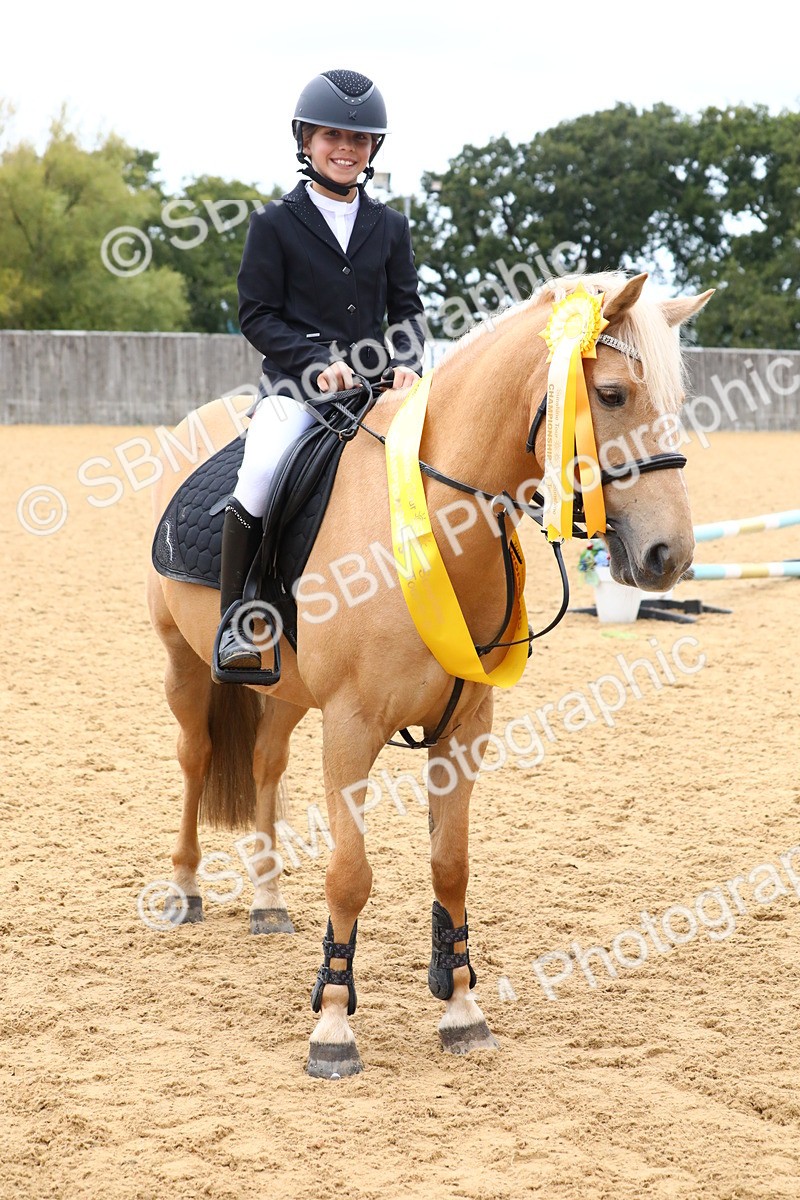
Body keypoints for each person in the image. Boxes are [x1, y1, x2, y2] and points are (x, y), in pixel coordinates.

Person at [215, 68, 426, 673]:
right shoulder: (274, 223)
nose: (346, 149)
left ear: (372, 150)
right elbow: (257, 314)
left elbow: (407, 312)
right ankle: (238, 620)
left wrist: (407, 366)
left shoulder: (390, 226)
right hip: (295, 390)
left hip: (373, 390)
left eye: (358, 140)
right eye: (333, 135)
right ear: (305, 141)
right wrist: (315, 363)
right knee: (257, 472)